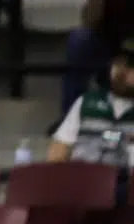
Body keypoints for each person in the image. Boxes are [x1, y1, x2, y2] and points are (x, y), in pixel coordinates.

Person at [48, 37, 134, 166]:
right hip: (84, 180)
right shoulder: (87, 102)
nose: (121, 72)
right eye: (118, 64)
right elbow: (59, 150)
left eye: (130, 67)